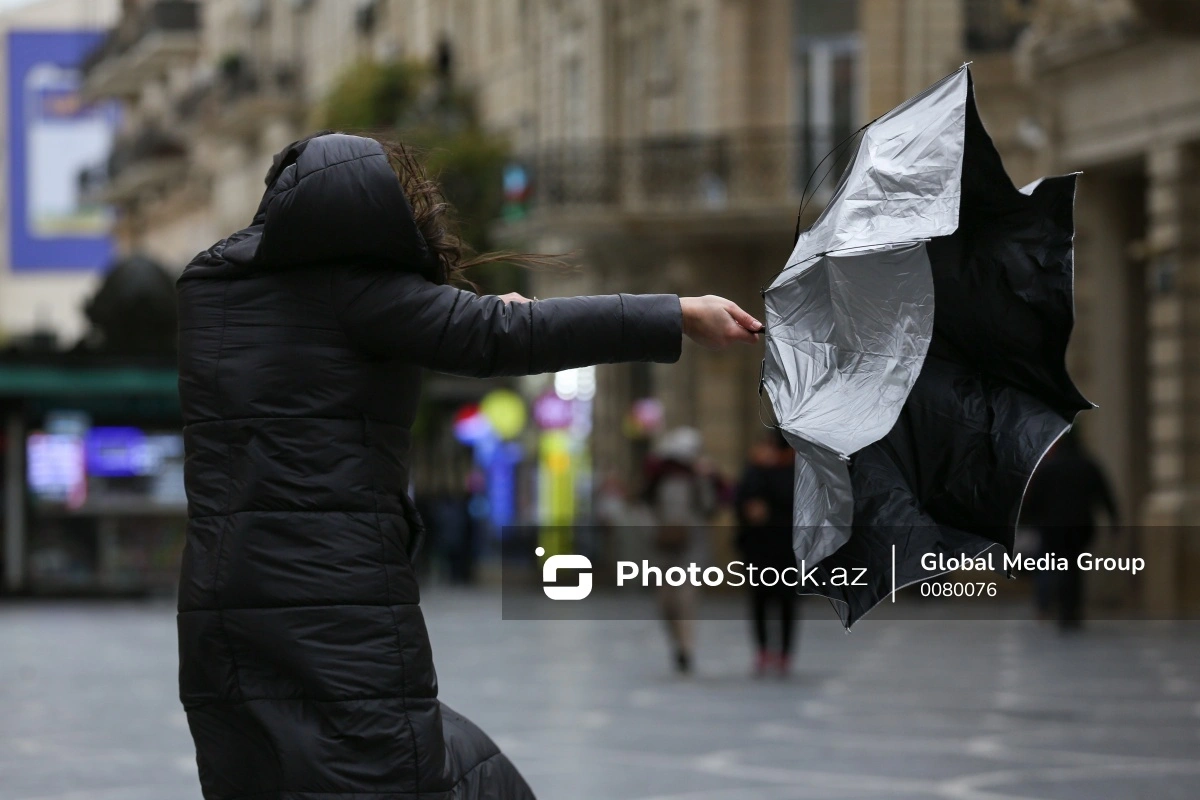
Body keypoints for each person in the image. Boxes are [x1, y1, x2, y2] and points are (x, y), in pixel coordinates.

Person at [174, 132, 762, 800]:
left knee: (272, 780)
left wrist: (456, 313)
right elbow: (493, 338)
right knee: (406, 775)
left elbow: (319, 352)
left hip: (220, 602)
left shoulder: (210, 288)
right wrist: (679, 314)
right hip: (336, 597)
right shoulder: (364, 296)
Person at [1020, 431, 1118, 631]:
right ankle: (1072, 610)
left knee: (1058, 567)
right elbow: (1105, 495)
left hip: (1052, 529)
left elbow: (1033, 501)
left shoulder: (1049, 468)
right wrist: (1115, 521)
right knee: (1073, 567)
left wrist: (1027, 523)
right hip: (1081, 527)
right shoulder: (1089, 465)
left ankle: (1061, 609)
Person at [644, 426, 723, 674]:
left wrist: (705, 478)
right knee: (666, 603)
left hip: (692, 550)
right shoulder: (657, 480)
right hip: (664, 550)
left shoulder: (698, 479)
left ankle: (687, 649)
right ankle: (677, 644)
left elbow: (711, 506)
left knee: (686, 600)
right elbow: (645, 508)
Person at [735, 429, 798, 676]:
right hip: (759, 547)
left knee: (786, 602)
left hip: (786, 547)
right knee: (759, 600)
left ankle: (784, 652)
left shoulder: (794, 469)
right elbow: (741, 501)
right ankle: (762, 650)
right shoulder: (754, 469)